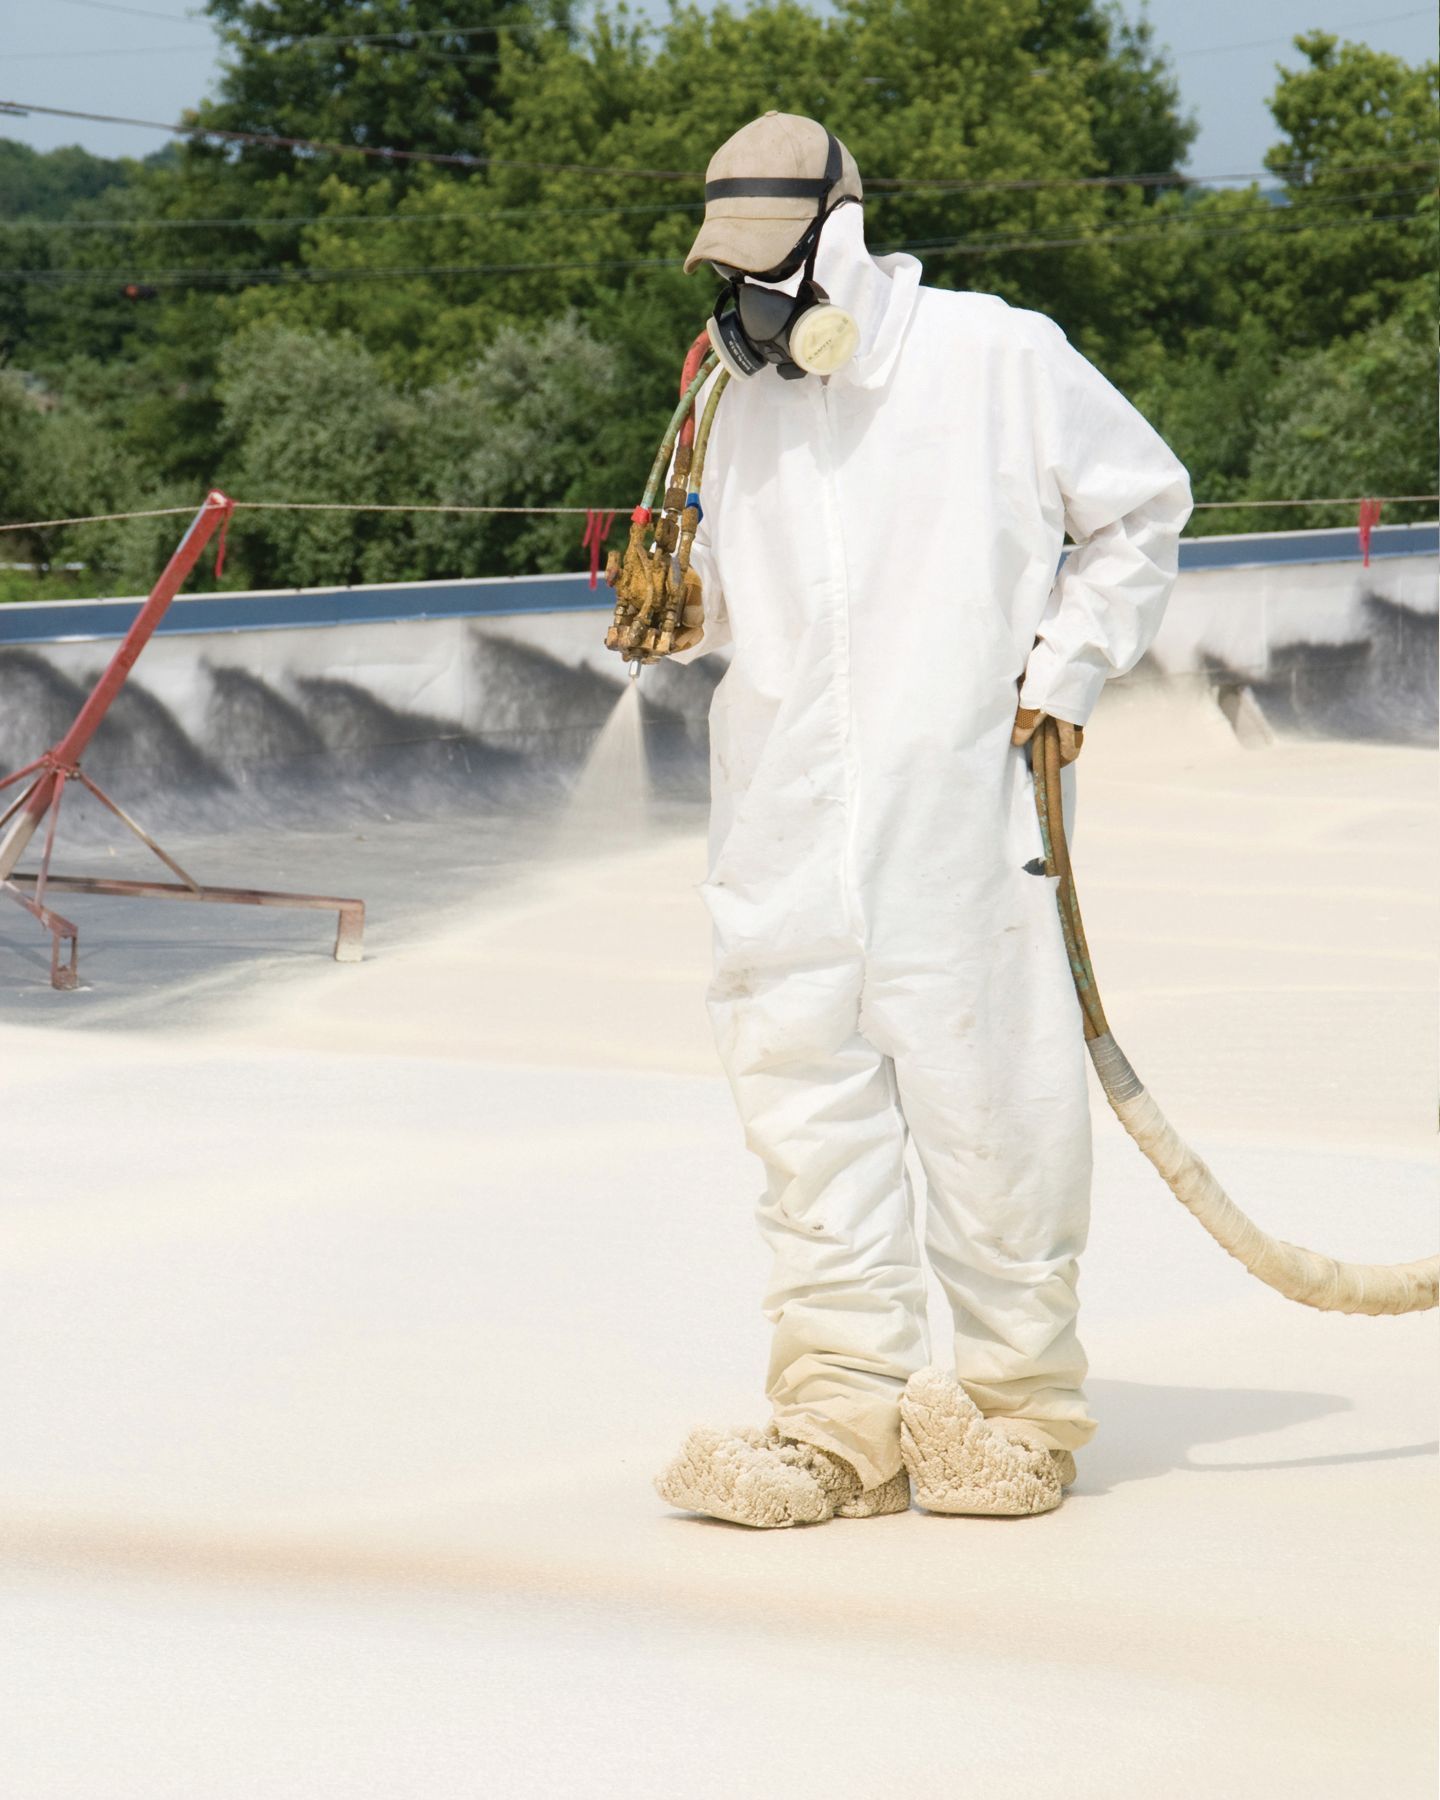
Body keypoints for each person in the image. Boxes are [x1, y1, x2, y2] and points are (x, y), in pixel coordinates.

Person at [654, 112, 1192, 1526]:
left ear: (843, 226)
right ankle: (840, 1413)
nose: (756, 296)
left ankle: (1019, 1409)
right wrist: (676, 600)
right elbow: (742, 589)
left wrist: (1064, 670)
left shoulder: (996, 356)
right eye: (736, 269)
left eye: (778, 263)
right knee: (801, 1108)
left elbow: (1141, 508)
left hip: (957, 799)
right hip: (776, 813)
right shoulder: (729, 395)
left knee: (990, 1095)